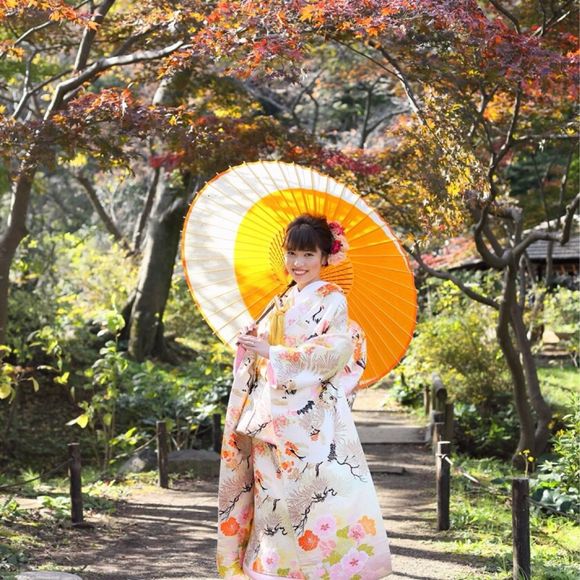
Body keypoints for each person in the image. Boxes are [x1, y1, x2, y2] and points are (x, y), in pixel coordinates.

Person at [217, 214, 393, 579]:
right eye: (292, 253)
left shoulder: (333, 300)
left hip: (306, 421)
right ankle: (270, 570)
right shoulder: (281, 299)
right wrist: (252, 344)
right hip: (267, 416)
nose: (298, 263)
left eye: (308, 254)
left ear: (326, 257)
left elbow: (334, 352)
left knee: (310, 499)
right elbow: (262, 357)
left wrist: (273, 352)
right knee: (270, 498)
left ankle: (321, 570)